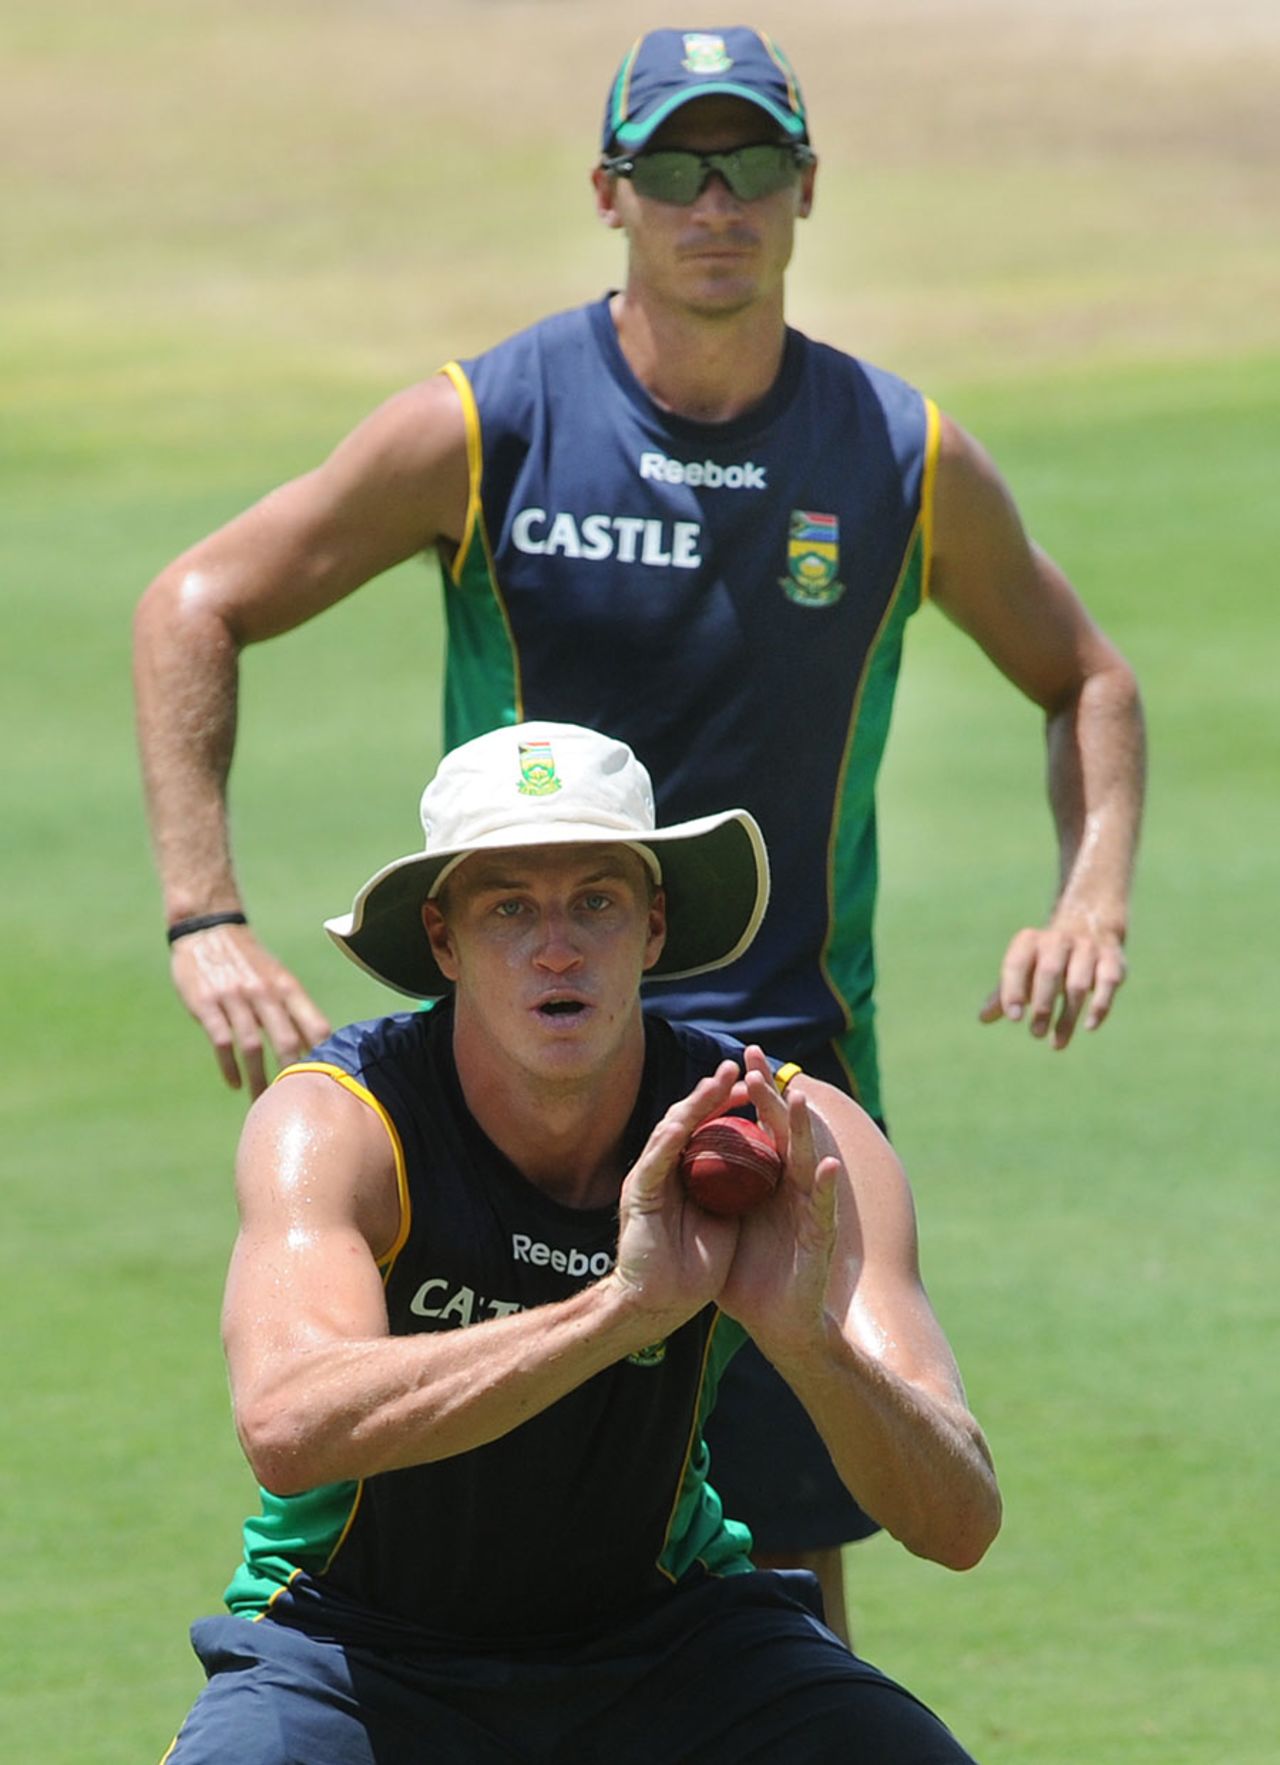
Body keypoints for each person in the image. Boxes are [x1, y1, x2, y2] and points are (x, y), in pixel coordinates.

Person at [134, 27, 1144, 1634]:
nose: (715, 200)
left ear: (809, 190)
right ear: (612, 194)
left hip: (774, 1063)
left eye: (751, 163)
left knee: (794, 1531)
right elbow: (198, 598)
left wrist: (1088, 892)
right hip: (517, 1075)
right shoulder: (490, 427)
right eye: (676, 165)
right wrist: (207, 913)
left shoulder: (898, 457)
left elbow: (1084, 672)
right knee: (479, 1486)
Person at [159, 721, 1001, 1765]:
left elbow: (957, 1521)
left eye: (595, 901)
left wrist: (808, 1347)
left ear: (651, 928)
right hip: (351, 1643)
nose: (556, 945)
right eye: (508, 905)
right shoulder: (340, 1124)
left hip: (666, 1638)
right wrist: (620, 1311)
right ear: (441, 940)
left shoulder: (795, 1134)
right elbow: (287, 1424)